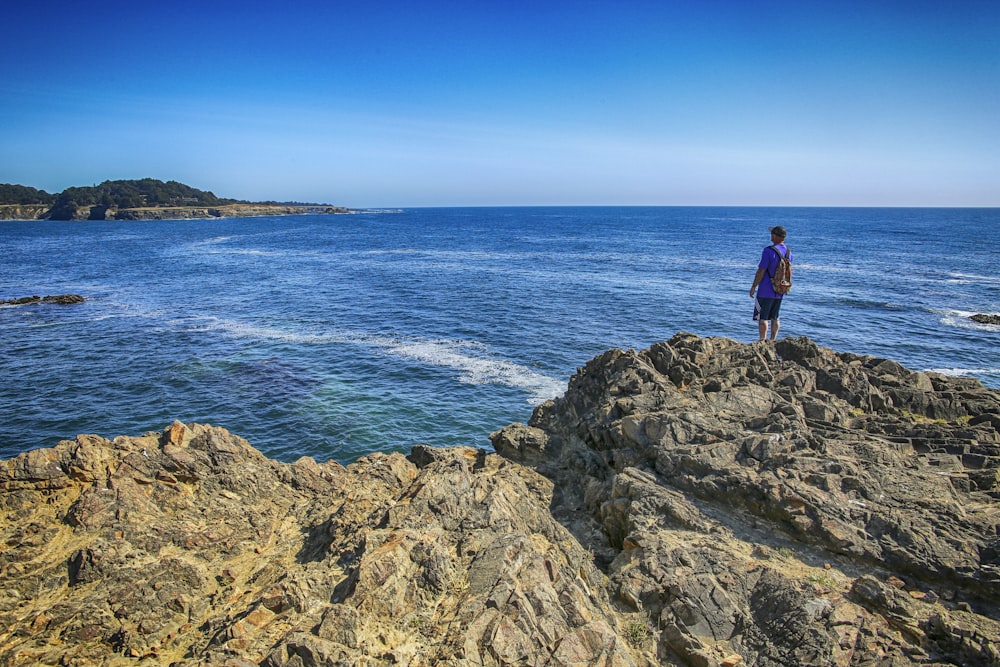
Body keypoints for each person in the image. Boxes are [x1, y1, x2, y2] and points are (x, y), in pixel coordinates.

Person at [749, 225, 792, 341]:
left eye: (772, 234)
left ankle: (762, 340)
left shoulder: (768, 251)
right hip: (780, 289)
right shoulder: (788, 252)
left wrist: (753, 286)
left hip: (766, 289)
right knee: (775, 316)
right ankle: (773, 340)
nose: (771, 236)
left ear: (775, 236)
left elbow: (761, 270)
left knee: (763, 317)